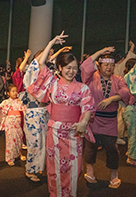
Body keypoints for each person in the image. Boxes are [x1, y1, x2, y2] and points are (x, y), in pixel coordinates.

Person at [27, 32, 95, 197]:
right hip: (55, 131)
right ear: (59, 68)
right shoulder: (52, 83)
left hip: (74, 131)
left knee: (75, 168)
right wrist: (51, 43)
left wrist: (83, 123)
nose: (71, 71)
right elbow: (40, 64)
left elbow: (87, 109)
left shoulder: (83, 88)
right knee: (55, 168)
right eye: (67, 68)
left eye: (74, 68)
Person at [81, 47, 130, 189]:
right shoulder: (91, 77)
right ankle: (89, 171)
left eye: (112, 65)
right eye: (106, 64)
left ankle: (114, 175)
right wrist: (100, 51)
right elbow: (85, 66)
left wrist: (112, 99)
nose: (109, 67)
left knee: (112, 148)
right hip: (93, 119)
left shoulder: (118, 79)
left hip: (110, 120)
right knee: (91, 146)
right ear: (99, 65)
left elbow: (126, 92)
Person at [18, 50, 50, 182]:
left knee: (43, 143)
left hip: (44, 113)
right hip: (33, 113)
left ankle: (38, 168)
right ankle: (30, 170)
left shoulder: (46, 75)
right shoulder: (32, 73)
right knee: (34, 143)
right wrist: (51, 44)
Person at [0, 84, 26, 166]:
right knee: (10, 140)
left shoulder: (19, 101)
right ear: (8, 93)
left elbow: (24, 109)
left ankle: (19, 154)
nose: (15, 93)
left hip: (17, 122)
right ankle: (9, 158)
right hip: (10, 122)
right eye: (13, 91)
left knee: (19, 139)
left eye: (16, 91)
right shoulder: (6, 102)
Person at [122, 58, 136, 166]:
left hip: (128, 109)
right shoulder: (130, 77)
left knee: (132, 134)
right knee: (134, 134)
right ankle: (131, 158)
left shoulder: (127, 77)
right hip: (131, 109)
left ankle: (130, 153)